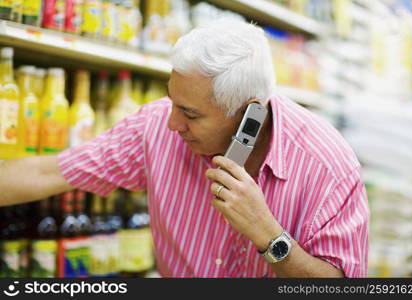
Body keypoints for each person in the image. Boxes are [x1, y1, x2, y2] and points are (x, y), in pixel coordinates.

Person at [0, 19, 369, 278]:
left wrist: (268, 235)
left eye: (190, 114)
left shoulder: (328, 166)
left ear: (248, 114)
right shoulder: (155, 127)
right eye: (172, 102)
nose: (173, 123)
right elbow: (49, 171)